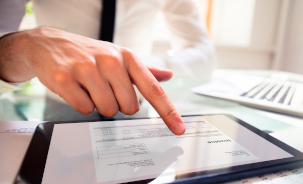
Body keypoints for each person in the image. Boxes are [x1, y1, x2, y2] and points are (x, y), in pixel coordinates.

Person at [0, 0, 217, 135]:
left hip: (137, 113)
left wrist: (136, 68)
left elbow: (204, 53)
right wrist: (24, 45)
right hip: (60, 110)